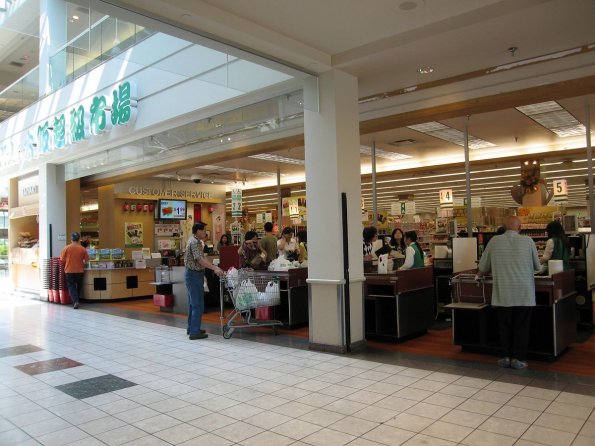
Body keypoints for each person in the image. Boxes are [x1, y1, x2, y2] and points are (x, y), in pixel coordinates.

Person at [477, 215, 540, 369]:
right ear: (520, 228)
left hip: (503, 293)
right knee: (521, 327)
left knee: (504, 326)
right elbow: (537, 266)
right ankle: (518, 359)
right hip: (524, 293)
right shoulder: (528, 241)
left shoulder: (494, 242)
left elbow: (483, 268)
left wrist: (480, 275)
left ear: (504, 227)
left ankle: (505, 357)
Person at [185, 222, 224, 340]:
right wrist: (215, 268)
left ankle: (192, 328)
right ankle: (194, 332)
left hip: (192, 275)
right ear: (197, 231)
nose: (205, 232)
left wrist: (211, 265)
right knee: (198, 305)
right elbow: (200, 260)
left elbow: (202, 258)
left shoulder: (193, 240)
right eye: (203, 230)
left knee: (193, 304)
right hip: (194, 275)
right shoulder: (195, 242)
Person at [60, 232, 89, 309]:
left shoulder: (66, 248)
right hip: (80, 270)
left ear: (71, 239)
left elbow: (62, 259)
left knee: (71, 286)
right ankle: (77, 300)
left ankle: (75, 301)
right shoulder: (83, 249)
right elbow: (86, 260)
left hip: (69, 270)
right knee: (79, 286)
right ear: (79, 239)